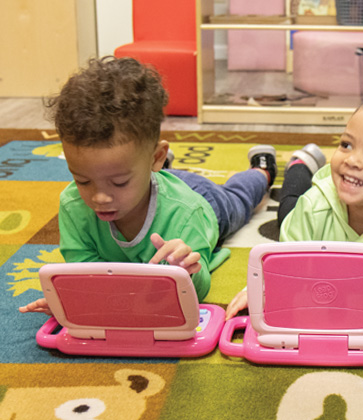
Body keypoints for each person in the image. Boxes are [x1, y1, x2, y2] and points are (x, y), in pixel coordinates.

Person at [18, 56, 277, 315]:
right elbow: (84, 271)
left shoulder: (187, 214)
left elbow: (197, 292)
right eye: (82, 180)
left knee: (240, 198)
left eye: (118, 182)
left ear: (156, 156)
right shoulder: (73, 205)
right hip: (151, 180)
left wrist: (185, 270)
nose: (99, 197)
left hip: (205, 200)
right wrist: (75, 298)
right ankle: (154, 172)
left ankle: (262, 168)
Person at [225, 78, 363, 372]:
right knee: (289, 201)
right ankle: (300, 166)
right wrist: (260, 290)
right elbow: (282, 263)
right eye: (346, 144)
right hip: (306, 208)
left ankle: (302, 163)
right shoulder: (314, 205)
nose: (352, 160)